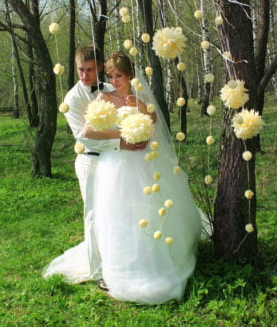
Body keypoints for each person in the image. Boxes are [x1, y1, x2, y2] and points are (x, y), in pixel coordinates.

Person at [83, 51, 204, 304]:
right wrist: (119, 137)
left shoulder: (138, 97)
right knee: (120, 212)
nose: (115, 81)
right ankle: (122, 265)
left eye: (120, 76)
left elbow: (153, 121)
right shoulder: (103, 98)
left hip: (144, 159)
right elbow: (88, 131)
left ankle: (154, 257)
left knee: (148, 209)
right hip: (116, 163)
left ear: (130, 76)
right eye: (112, 76)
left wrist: (141, 116)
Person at [42, 46, 145, 285]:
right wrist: (122, 141)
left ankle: (120, 260)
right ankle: (98, 272)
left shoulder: (109, 88)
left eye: (89, 70)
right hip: (90, 161)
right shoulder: (72, 99)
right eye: (80, 70)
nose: (84, 76)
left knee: (115, 213)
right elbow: (84, 136)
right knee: (93, 216)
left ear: (99, 68)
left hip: (114, 162)